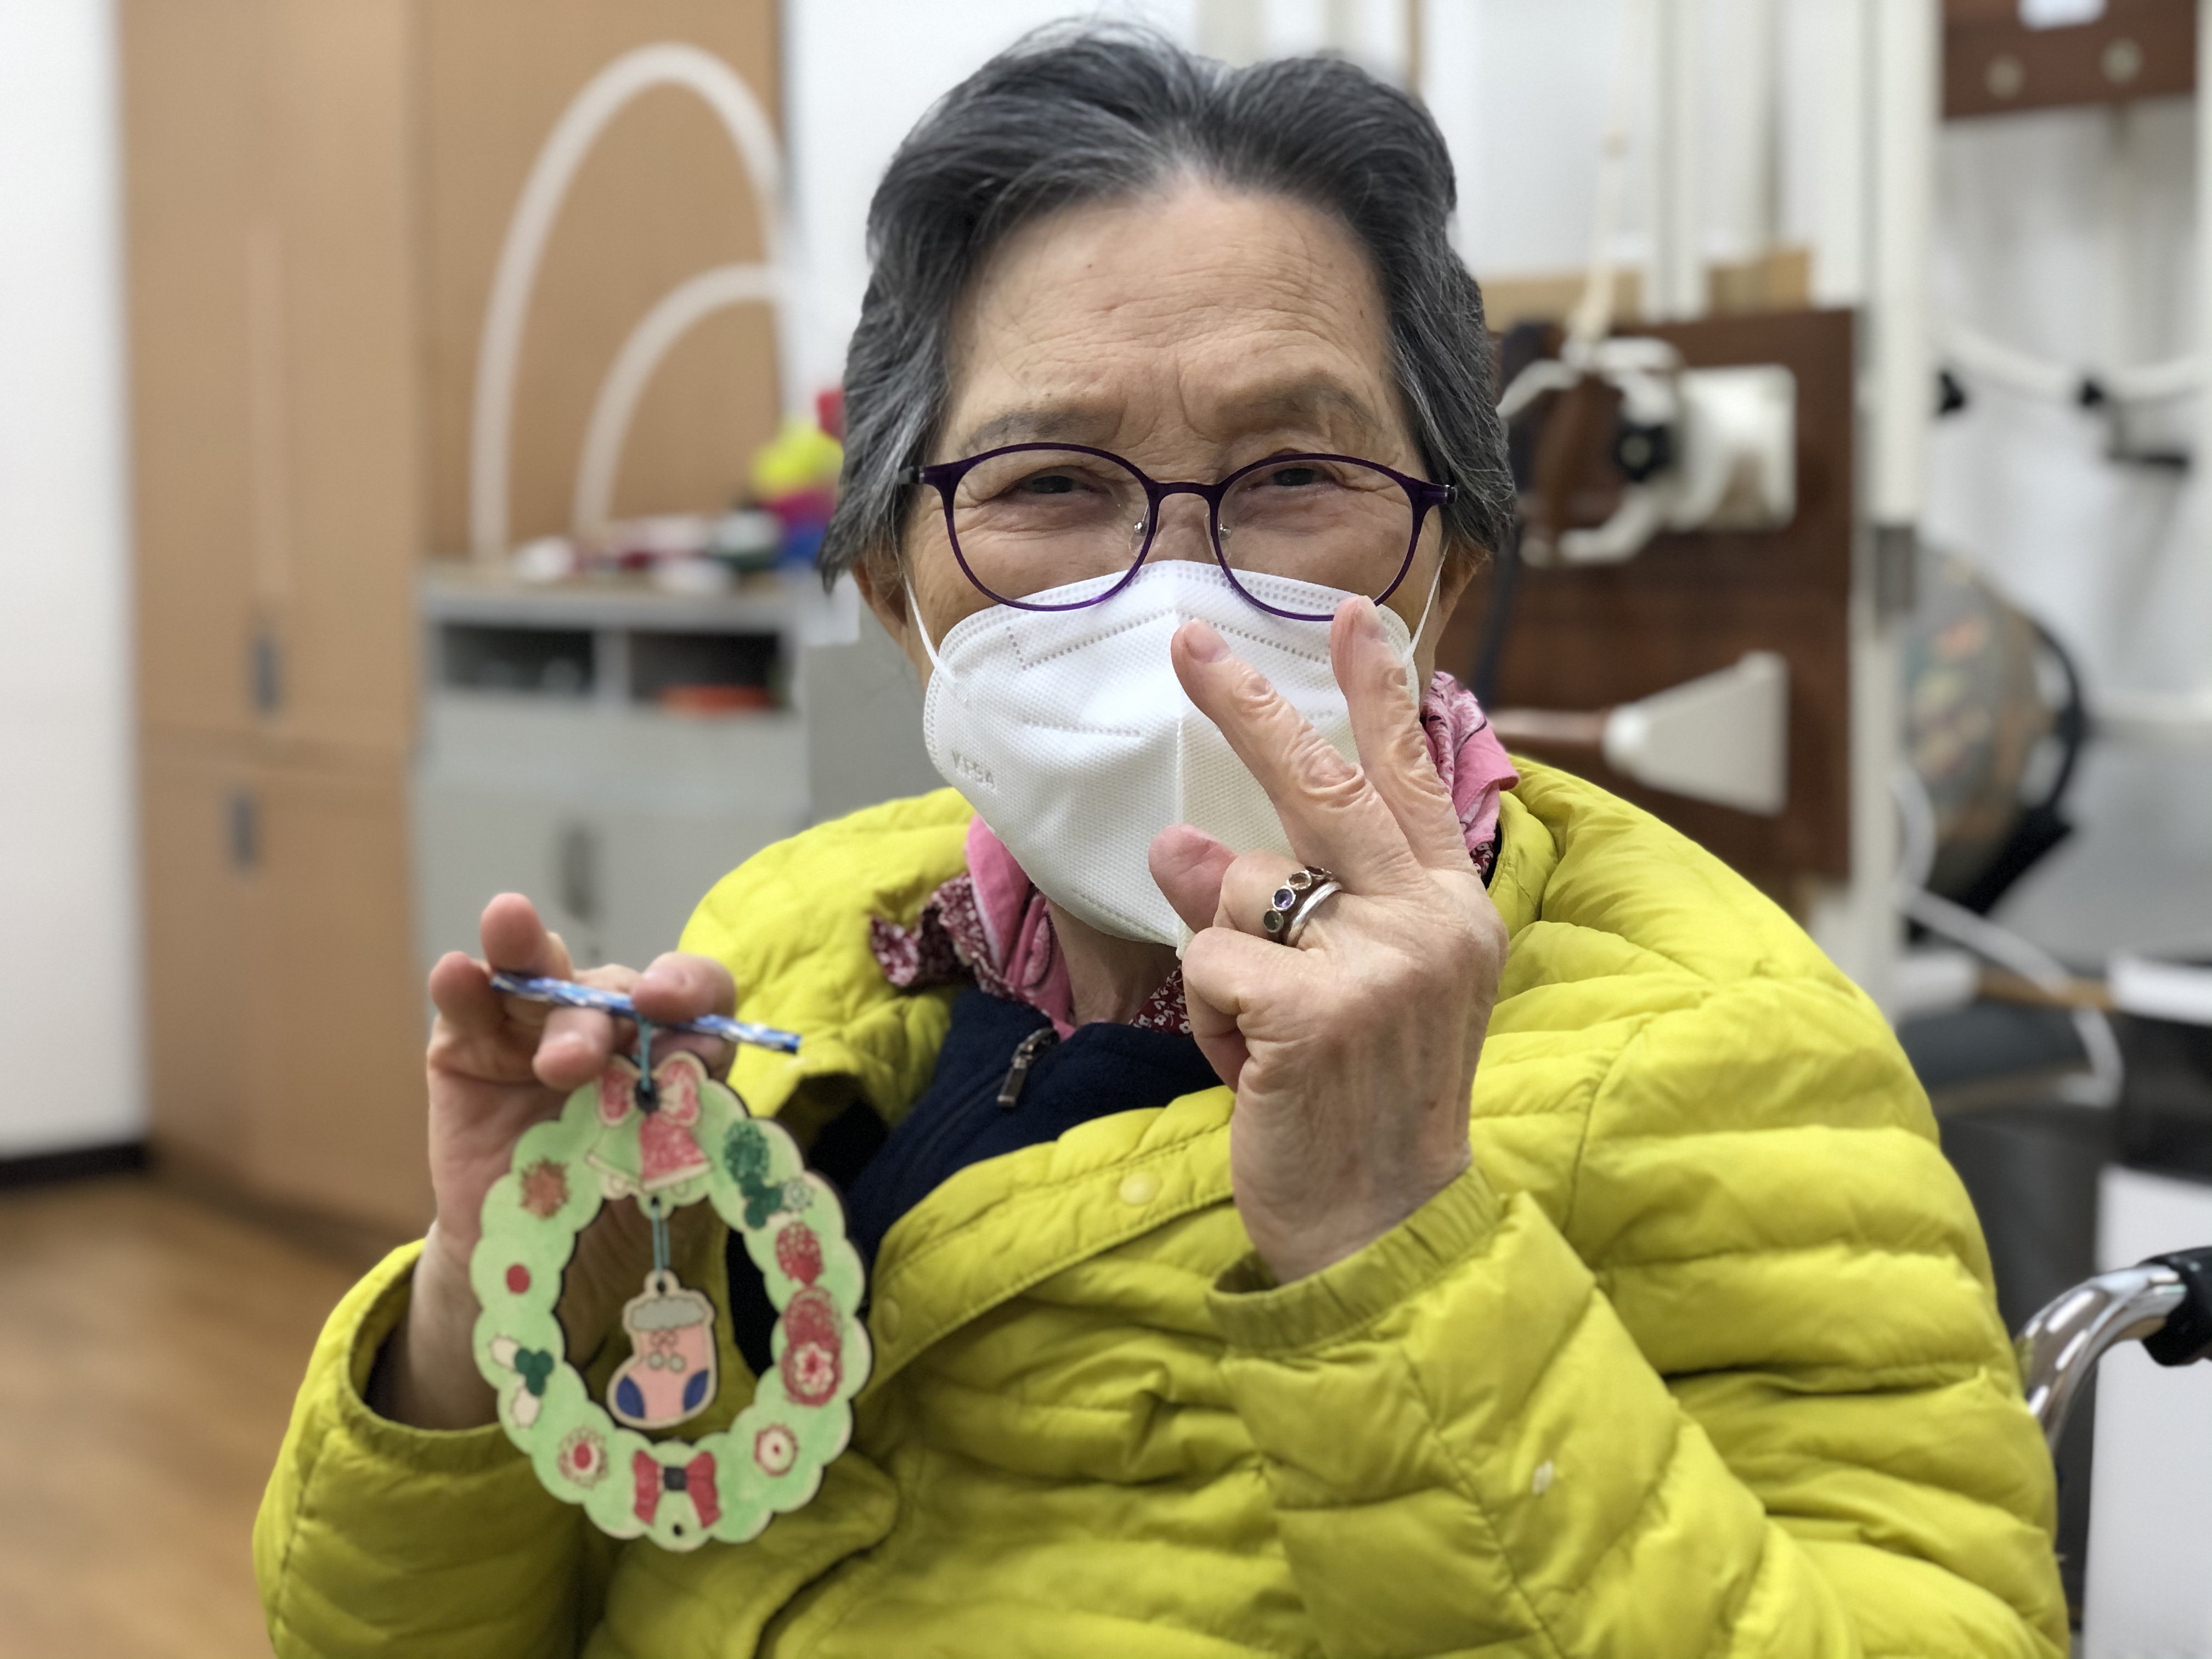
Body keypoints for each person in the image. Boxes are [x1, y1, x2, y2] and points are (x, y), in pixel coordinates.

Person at [255, 26, 2065, 1658]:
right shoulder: (784, 934)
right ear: (894, 590)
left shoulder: (1713, 1048)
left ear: (1447, 567)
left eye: (1297, 475)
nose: (1175, 600)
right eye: (1050, 482)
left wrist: (1398, 1236)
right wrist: (489, 1315)